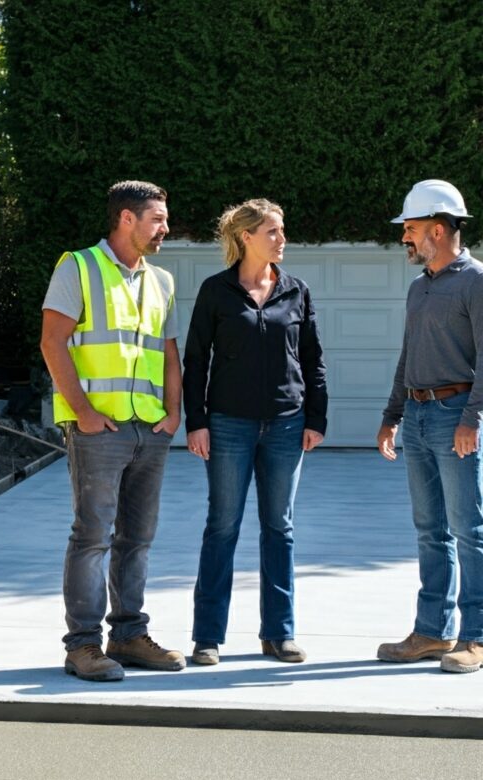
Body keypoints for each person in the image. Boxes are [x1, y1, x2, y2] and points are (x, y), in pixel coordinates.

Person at [40, 180, 184, 681]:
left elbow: (166, 352)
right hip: (98, 429)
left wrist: (173, 413)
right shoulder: (77, 267)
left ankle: (129, 636)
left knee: (138, 538)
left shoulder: (161, 280)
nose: (165, 228)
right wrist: (81, 412)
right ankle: (82, 646)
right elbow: (52, 342)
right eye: (157, 220)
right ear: (126, 218)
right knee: (93, 535)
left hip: (150, 429)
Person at [182, 199, 327, 666]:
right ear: (246, 236)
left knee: (279, 529)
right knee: (222, 528)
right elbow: (195, 360)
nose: (282, 239)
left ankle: (279, 634)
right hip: (228, 425)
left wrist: (316, 418)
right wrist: (197, 421)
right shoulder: (216, 291)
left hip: (287, 425)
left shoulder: (296, 291)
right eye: (273, 231)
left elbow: (312, 360)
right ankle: (207, 637)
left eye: (282, 230)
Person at [376, 179, 483, 673]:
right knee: (429, 530)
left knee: (469, 530)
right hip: (417, 417)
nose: (406, 238)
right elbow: (407, 356)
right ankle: (431, 633)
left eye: (412, 229)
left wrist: (471, 420)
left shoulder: (476, 281)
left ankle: (476, 637)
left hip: (454, 417)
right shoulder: (420, 288)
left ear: (438, 229)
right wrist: (391, 416)